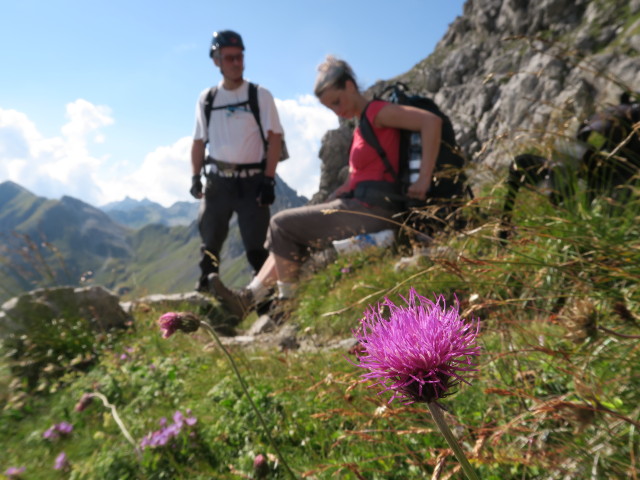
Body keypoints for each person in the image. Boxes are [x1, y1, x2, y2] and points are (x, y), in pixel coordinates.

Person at [209, 55, 442, 321]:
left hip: (375, 209)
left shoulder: (378, 111)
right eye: (330, 107)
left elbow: (430, 122)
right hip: (361, 204)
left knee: (281, 225)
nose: (336, 111)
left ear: (350, 86)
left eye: (337, 101)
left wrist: (424, 179)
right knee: (288, 231)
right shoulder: (362, 123)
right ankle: (247, 298)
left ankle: (287, 306)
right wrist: (341, 190)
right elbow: (366, 172)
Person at [190, 30, 284, 292]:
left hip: (253, 183)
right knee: (210, 244)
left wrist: (268, 179)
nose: (236, 63)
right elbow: (198, 141)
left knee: (257, 248)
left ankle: (265, 306)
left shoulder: (259, 95)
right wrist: (195, 176)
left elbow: (274, 138)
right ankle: (208, 299)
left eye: (239, 57)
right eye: (229, 58)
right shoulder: (207, 99)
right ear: (216, 61)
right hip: (217, 183)